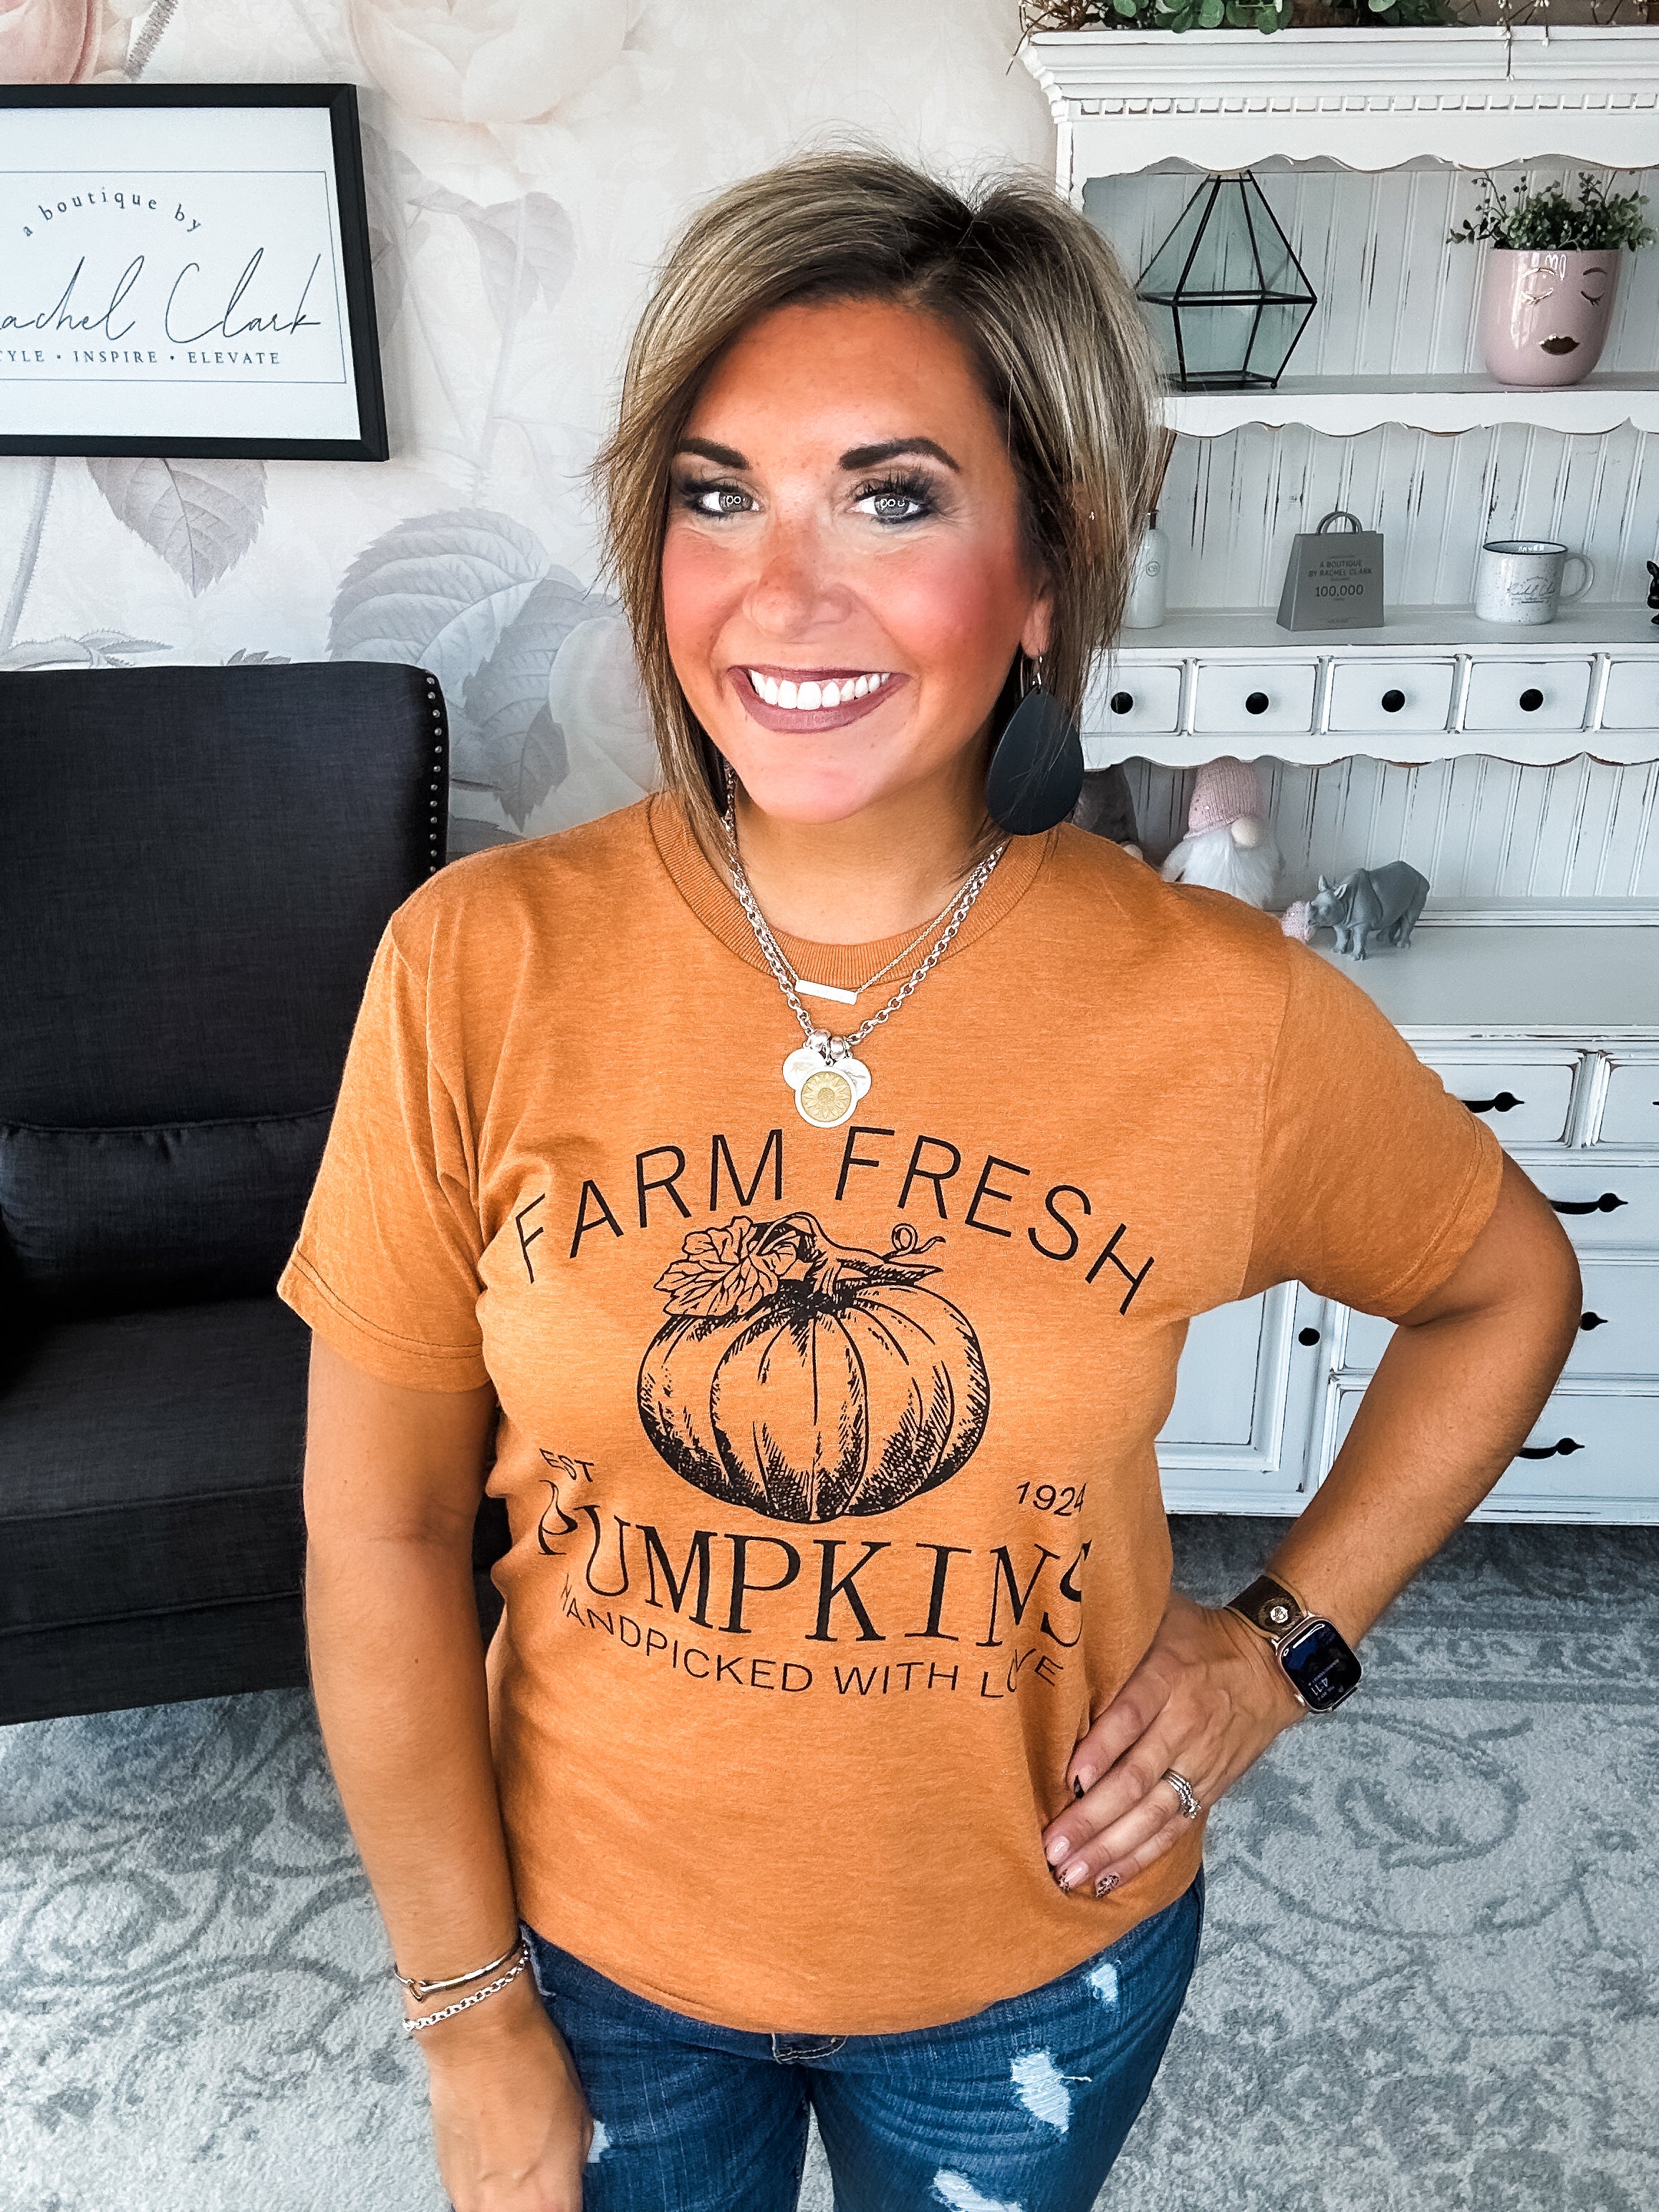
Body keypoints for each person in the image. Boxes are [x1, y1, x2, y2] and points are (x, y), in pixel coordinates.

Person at [282, 153, 1581, 2212]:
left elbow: (1504, 1287)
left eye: (893, 499)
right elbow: (378, 1521)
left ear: (1045, 566)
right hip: (587, 1943)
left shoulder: (1215, 1008)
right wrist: (464, 2015)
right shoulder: (480, 961)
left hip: (1033, 1977)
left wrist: (1283, 1643)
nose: (781, 597)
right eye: (718, 496)